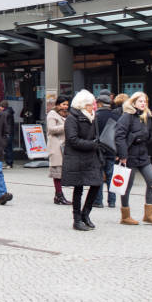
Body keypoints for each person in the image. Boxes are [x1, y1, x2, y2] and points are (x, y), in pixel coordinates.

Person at [115, 92, 152, 225]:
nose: (143, 103)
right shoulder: (127, 116)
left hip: (143, 155)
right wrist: (122, 155)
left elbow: (151, 136)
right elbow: (119, 136)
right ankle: (125, 215)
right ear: (133, 102)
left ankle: (148, 215)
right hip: (129, 155)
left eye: (145, 101)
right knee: (127, 186)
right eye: (140, 101)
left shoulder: (147, 116)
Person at [61, 89, 102, 231]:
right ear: (83, 105)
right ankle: (77, 220)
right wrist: (92, 144)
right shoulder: (72, 118)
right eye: (90, 104)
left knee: (97, 184)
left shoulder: (93, 116)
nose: (93, 106)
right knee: (78, 188)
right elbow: (72, 140)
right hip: (76, 157)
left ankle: (86, 214)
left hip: (91, 157)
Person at [46, 95, 71, 205]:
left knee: (61, 173)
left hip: (64, 146)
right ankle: (59, 196)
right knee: (57, 173)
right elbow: (51, 129)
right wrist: (66, 126)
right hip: (56, 146)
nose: (65, 106)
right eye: (63, 104)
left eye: (67, 104)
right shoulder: (52, 114)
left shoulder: (66, 115)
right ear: (58, 104)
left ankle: (58, 196)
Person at [93, 92, 115, 209]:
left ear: (100, 103)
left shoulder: (95, 116)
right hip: (111, 149)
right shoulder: (115, 116)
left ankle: (98, 201)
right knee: (111, 175)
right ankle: (112, 201)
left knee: (99, 175)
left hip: (98, 149)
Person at [0, 100, 15, 169]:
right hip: (10, 132)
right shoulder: (9, 112)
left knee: (7, 148)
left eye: (0, 106)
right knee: (9, 148)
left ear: (3, 107)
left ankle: (9, 163)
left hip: (7, 133)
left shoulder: (5, 113)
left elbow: (3, 124)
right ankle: (9, 163)